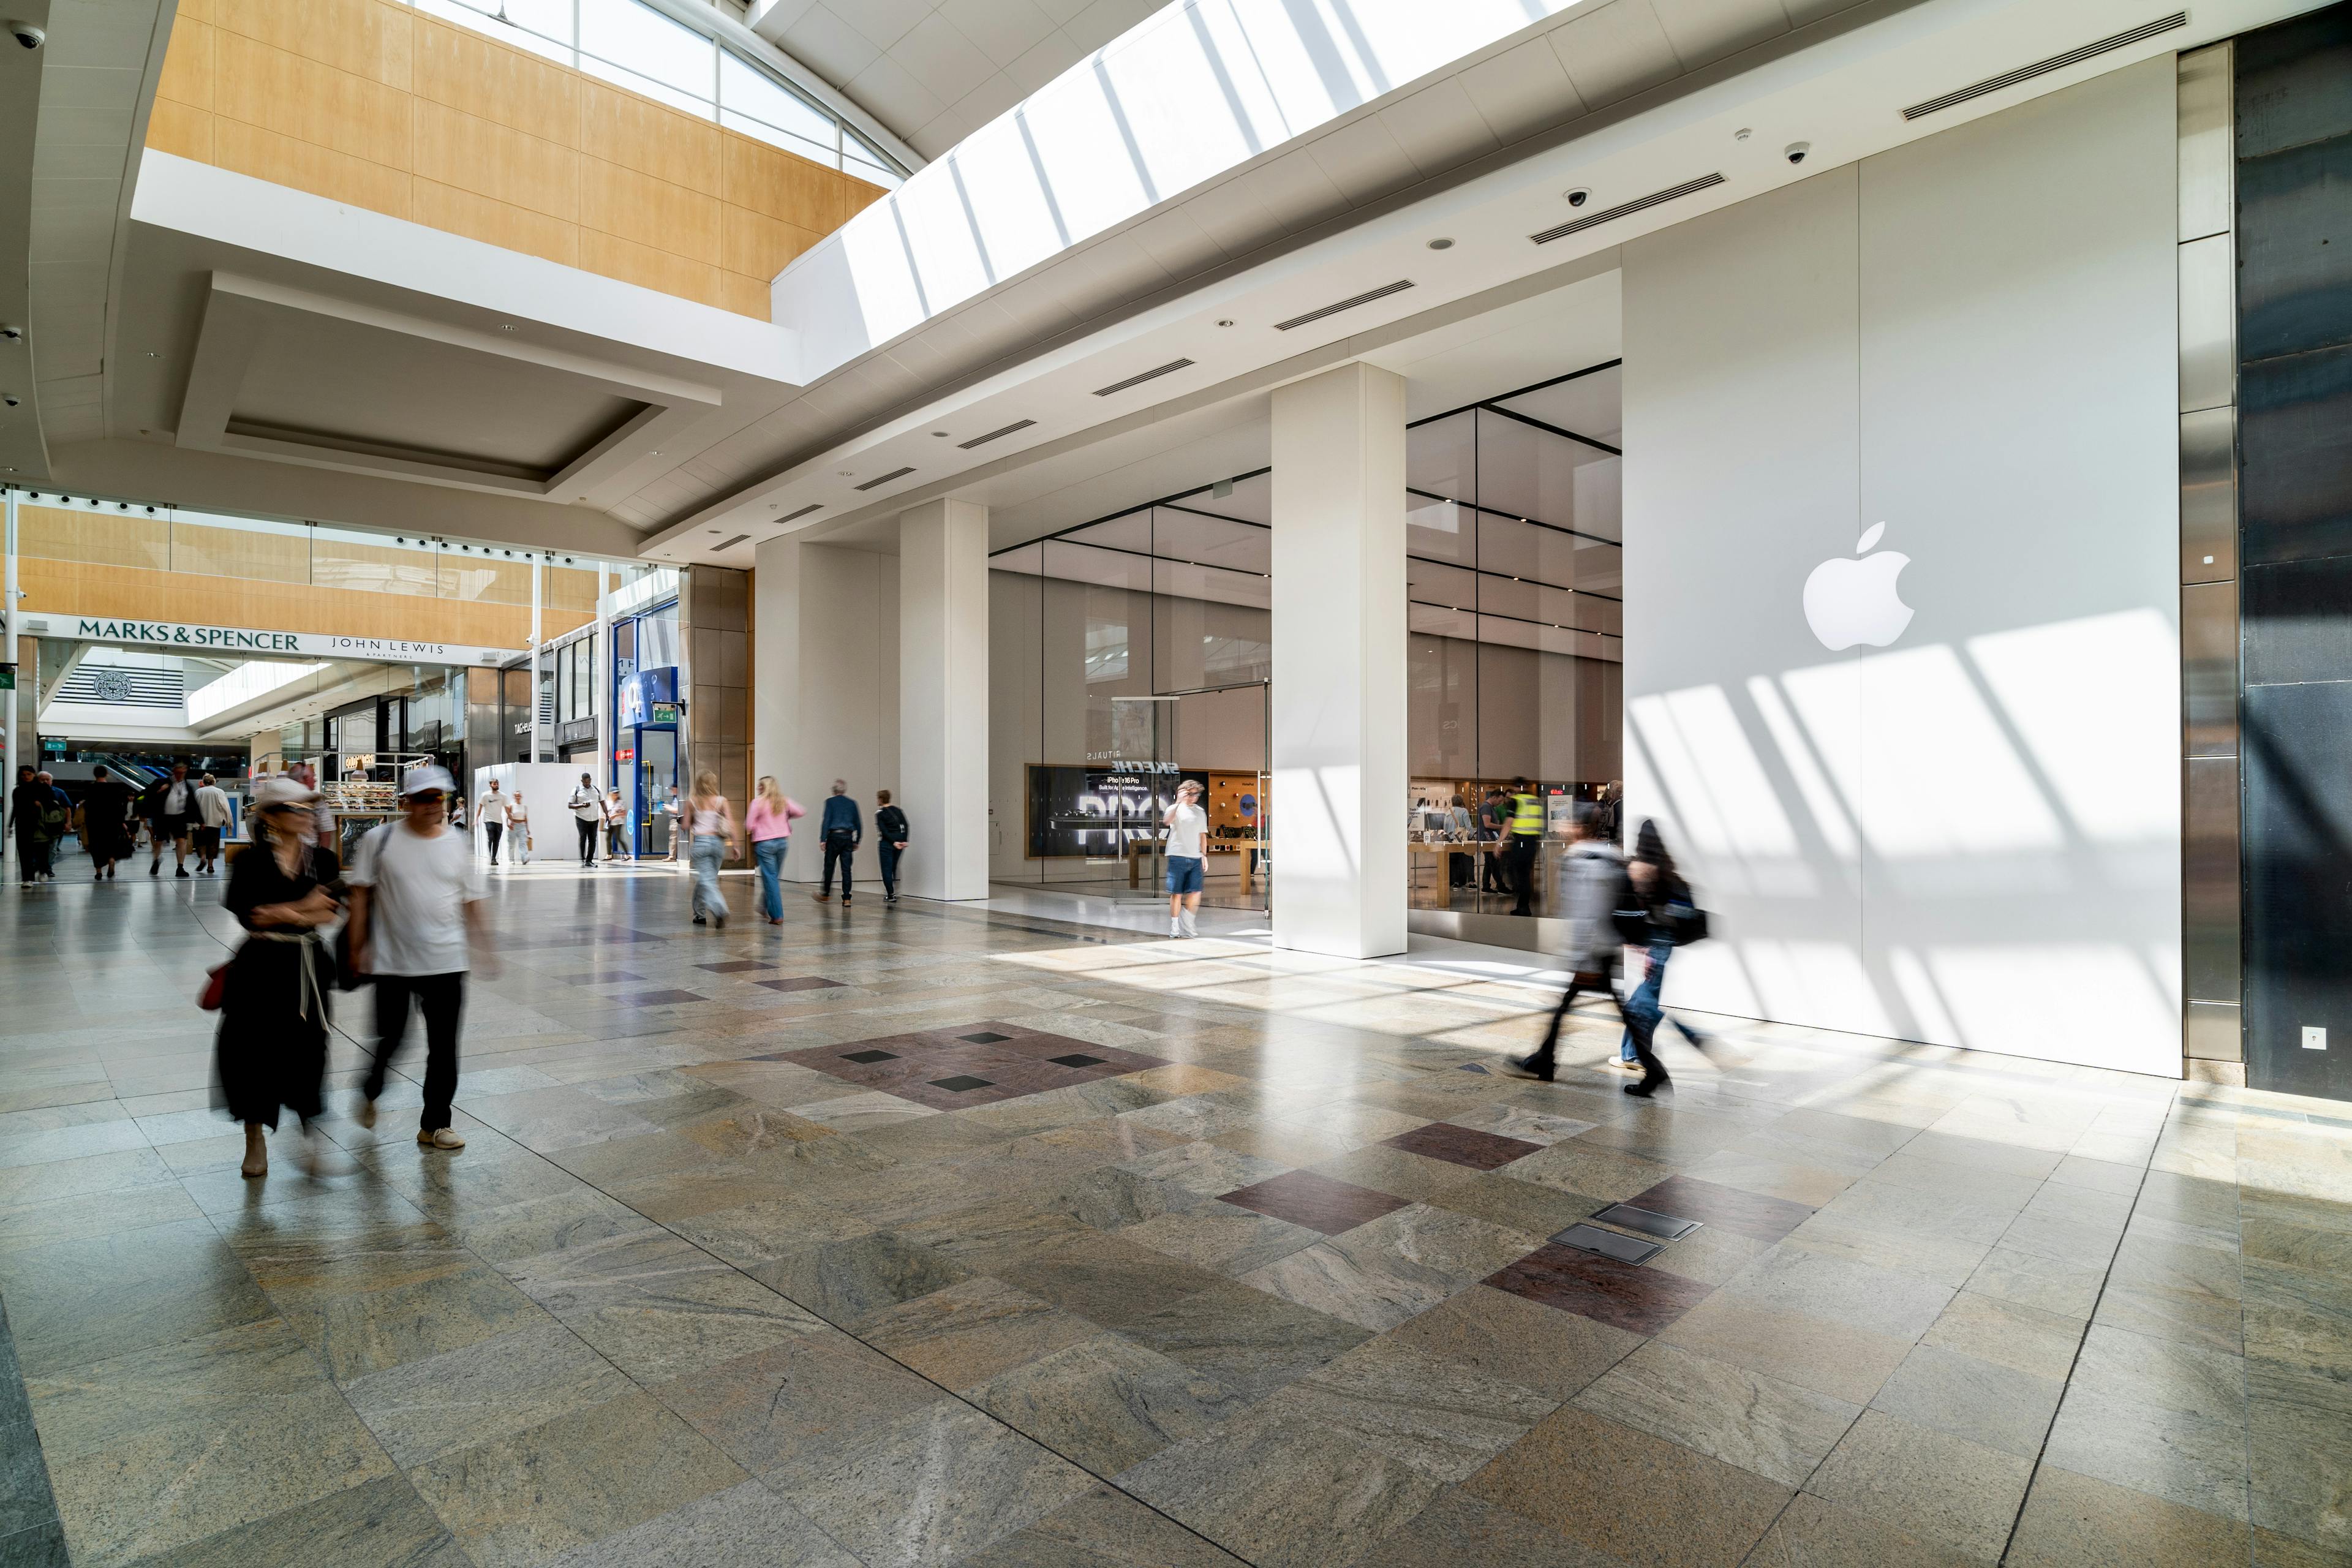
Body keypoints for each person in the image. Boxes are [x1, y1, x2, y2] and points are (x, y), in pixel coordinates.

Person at [349, 765, 491, 1150]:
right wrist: (357, 948)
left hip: (447, 962)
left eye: (438, 797)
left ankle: (435, 1125)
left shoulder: (458, 843)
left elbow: (471, 898)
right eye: (424, 798)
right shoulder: (379, 840)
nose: (433, 805)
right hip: (392, 963)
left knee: (443, 1049)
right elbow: (360, 896)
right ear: (406, 802)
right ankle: (371, 1088)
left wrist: (484, 946)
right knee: (392, 1039)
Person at [214, 775, 341, 1178]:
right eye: (297, 808)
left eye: (310, 808)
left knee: (310, 1049)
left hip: (307, 966)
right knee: (251, 1050)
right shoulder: (249, 862)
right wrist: (303, 907)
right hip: (260, 966)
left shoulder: (323, 860)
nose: (307, 815)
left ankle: (311, 1138)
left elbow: (329, 913)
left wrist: (282, 911)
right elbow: (251, 915)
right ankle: (255, 1137)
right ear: (271, 816)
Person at [1510, 804, 1646, 1084]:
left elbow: (1588, 912)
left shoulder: (1582, 859)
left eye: (1570, 822)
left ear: (1581, 828)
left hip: (1593, 951)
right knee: (1582, 1007)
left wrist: (1581, 956)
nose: (1564, 826)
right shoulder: (1610, 856)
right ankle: (1545, 1059)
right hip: (1603, 947)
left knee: (1569, 1007)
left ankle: (1545, 1060)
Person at [1611, 820, 1711, 1095]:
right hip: (1665, 945)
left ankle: (1688, 1037)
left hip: (1651, 946)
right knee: (1641, 1004)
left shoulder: (1640, 868)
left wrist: (1637, 945)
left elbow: (1633, 913)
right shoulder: (1667, 868)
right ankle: (1630, 1054)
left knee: (1642, 1008)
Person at [745, 776, 803, 924]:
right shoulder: (783, 801)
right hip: (782, 843)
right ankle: (764, 906)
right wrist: (786, 818)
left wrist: (758, 826)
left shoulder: (758, 803)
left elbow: (749, 825)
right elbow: (800, 811)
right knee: (773, 877)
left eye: (760, 785)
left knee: (771, 878)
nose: (758, 788)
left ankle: (777, 915)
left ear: (766, 787)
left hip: (765, 844)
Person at [685, 769, 737, 928]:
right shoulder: (722, 801)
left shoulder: (692, 802)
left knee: (707, 880)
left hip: (701, 843)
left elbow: (685, 825)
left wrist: (692, 820)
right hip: (717, 844)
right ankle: (699, 915)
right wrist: (736, 845)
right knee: (707, 879)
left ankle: (720, 909)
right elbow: (731, 823)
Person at [1163, 778, 1208, 938]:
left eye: (1196, 795)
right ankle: (1175, 925)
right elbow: (1167, 821)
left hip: (1195, 857)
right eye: (1190, 794)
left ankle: (1188, 921)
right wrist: (1178, 802)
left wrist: (1204, 855)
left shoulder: (1200, 812)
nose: (1193, 797)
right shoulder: (1174, 809)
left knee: (1196, 891)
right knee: (1176, 893)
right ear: (1182, 793)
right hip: (1177, 855)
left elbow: (1202, 835)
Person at [9, 764, 62, 885]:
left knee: (42, 851)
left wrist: (41, 805)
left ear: (34, 775)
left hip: (41, 824)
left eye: (29, 774)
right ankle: (27, 878)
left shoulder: (43, 788)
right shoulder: (18, 791)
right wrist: (10, 824)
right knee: (25, 852)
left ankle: (43, 871)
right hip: (23, 824)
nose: (26, 777)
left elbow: (54, 805)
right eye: (23, 775)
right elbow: (16, 808)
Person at [82, 764, 133, 879]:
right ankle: (111, 860)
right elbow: (120, 808)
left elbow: (87, 807)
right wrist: (122, 822)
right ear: (106, 774)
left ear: (95, 775)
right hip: (112, 822)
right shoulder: (114, 789)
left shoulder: (89, 789)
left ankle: (99, 871)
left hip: (94, 823)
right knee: (111, 844)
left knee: (96, 846)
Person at [146, 763, 195, 878]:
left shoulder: (187, 786)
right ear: (173, 772)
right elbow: (146, 794)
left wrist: (199, 820)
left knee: (181, 841)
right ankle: (156, 860)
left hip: (180, 818)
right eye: (178, 773)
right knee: (159, 842)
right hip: (163, 817)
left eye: (182, 773)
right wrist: (159, 791)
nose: (180, 775)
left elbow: (193, 804)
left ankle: (180, 867)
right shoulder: (161, 782)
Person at [815, 780, 859, 905]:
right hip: (848, 837)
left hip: (834, 837)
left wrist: (823, 839)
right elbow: (858, 823)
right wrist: (857, 840)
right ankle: (847, 898)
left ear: (834, 790)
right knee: (846, 869)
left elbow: (826, 821)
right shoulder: (852, 803)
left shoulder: (830, 802)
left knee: (829, 867)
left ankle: (826, 894)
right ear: (844, 790)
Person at [1506, 777, 1546, 916]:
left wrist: (1499, 843)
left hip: (1521, 840)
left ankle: (1523, 903)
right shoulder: (1536, 800)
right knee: (1524, 874)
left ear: (1516, 787)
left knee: (1514, 871)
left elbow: (1509, 823)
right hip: (1533, 841)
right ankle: (1523, 905)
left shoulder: (1516, 801)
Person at [193, 772, 233, 875]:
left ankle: (203, 858)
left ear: (204, 782)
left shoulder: (198, 792)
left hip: (201, 823)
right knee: (213, 844)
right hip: (215, 822)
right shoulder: (219, 792)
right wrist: (229, 822)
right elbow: (226, 807)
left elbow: (194, 808)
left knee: (201, 842)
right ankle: (210, 865)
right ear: (214, 782)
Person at [875, 789, 908, 905]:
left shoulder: (880, 813)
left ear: (881, 799)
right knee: (894, 866)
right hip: (900, 841)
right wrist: (904, 840)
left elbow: (883, 830)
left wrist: (893, 842)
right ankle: (895, 890)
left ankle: (890, 894)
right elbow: (905, 825)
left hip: (887, 843)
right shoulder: (898, 811)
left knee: (886, 869)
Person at [567, 772, 604, 868]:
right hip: (581, 818)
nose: (587, 783)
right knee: (583, 837)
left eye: (589, 781)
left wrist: (607, 814)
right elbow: (570, 805)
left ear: (591, 780)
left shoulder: (597, 790)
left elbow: (603, 803)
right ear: (582, 781)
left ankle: (589, 861)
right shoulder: (576, 790)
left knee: (593, 840)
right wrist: (581, 805)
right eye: (585, 781)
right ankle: (582, 858)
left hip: (594, 819)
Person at [1479, 787, 1512, 896]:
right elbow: (1487, 824)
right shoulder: (1486, 807)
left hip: (1491, 839)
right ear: (1494, 797)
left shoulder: (1491, 808)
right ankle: (1501, 886)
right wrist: (1503, 827)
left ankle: (1486, 886)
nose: (1500, 803)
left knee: (1489, 863)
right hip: (1487, 839)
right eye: (1500, 800)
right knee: (1494, 863)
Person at [476, 778, 508, 864]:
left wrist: (511, 819)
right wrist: (476, 819)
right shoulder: (485, 795)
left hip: (499, 821)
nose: (496, 785)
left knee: (497, 841)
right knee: (491, 837)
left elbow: (507, 809)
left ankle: (493, 858)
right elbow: (480, 808)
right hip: (488, 820)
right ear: (490, 785)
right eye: (494, 784)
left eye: (497, 783)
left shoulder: (503, 796)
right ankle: (490, 856)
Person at [604, 788, 631, 862]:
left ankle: (627, 855)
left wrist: (615, 815)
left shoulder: (621, 802)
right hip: (610, 823)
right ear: (610, 794)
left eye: (617, 794)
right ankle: (609, 855)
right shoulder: (608, 802)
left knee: (618, 838)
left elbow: (624, 813)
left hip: (618, 823)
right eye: (614, 794)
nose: (616, 795)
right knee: (608, 838)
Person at [507, 790, 532, 865]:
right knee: (512, 844)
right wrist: (508, 824)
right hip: (513, 826)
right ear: (514, 797)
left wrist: (527, 829)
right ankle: (511, 859)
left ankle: (525, 858)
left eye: (519, 796)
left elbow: (526, 818)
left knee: (523, 843)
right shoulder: (511, 806)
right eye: (516, 796)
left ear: (521, 796)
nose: (518, 797)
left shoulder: (524, 806)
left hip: (522, 826)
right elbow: (508, 816)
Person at [661, 786, 684, 862]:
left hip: (676, 820)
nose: (671, 791)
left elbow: (677, 810)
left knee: (673, 839)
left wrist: (668, 807)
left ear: (676, 789)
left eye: (672, 789)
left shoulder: (678, 798)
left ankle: (672, 856)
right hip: (674, 820)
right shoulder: (676, 798)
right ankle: (672, 856)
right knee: (673, 838)